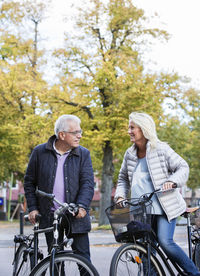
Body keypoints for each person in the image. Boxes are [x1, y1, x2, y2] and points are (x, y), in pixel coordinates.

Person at [115, 112, 200, 276]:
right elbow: (123, 179)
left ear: (143, 129)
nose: (129, 131)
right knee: (145, 250)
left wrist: (173, 181)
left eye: (132, 127)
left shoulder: (161, 149)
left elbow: (183, 167)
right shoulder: (129, 154)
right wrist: (120, 195)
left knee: (165, 241)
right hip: (142, 210)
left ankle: (193, 273)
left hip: (165, 207)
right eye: (129, 127)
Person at [24, 114, 94, 263]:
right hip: (51, 216)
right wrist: (33, 208)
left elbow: (88, 183)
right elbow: (29, 182)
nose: (80, 136)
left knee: (84, 261)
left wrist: (82, 206)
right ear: (62, 135)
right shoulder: (39, 152)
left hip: (75, 215)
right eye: (75, 132)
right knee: (55, 261)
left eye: (80, 132)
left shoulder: (83, 154)